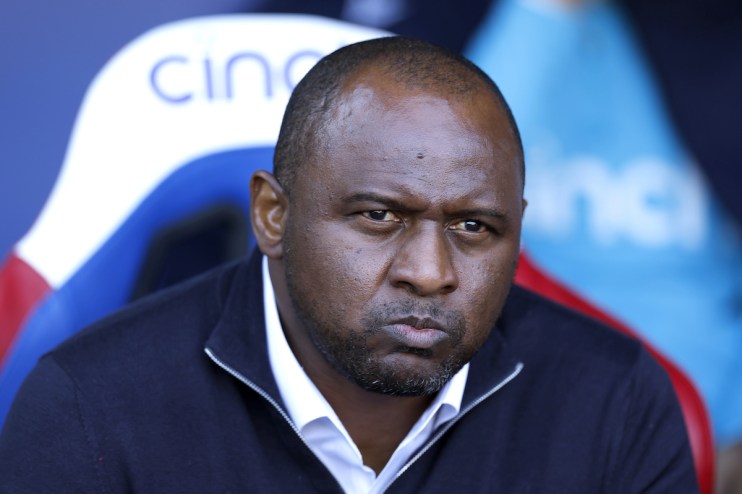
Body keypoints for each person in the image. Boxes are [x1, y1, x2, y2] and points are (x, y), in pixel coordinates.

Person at [0, 36, 697, 493]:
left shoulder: (614, 401)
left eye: (473, 226)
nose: (430, 272)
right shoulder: (90, 409)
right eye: (379, 216)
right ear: (273, 216)